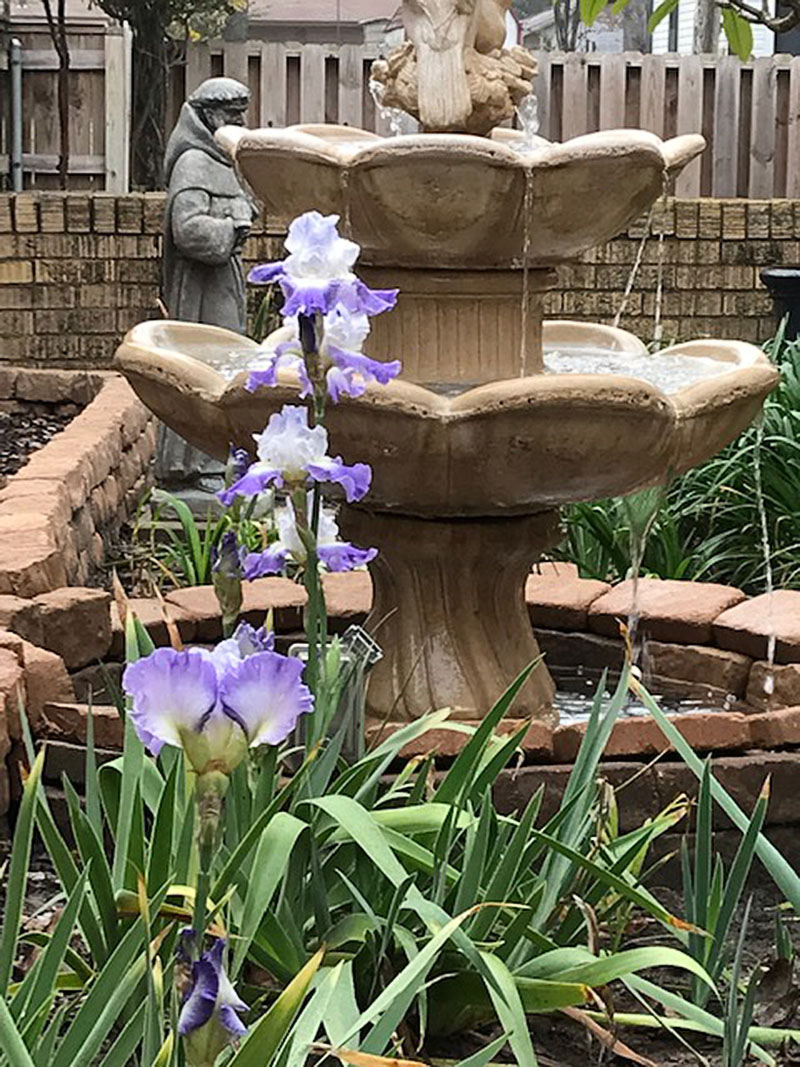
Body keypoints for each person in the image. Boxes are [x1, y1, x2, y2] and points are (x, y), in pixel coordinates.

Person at [156, 77, 257, 491]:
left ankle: (218, 460)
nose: (237, 121)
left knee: (227, 365)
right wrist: (231, 230)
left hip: (223, 281)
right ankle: (193, 468)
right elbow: (188, 228)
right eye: (230, 114)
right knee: (203, 367)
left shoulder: (222, 161)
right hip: (199, 287)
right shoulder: (193, 163)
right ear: (205, 117)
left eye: (240, 113)